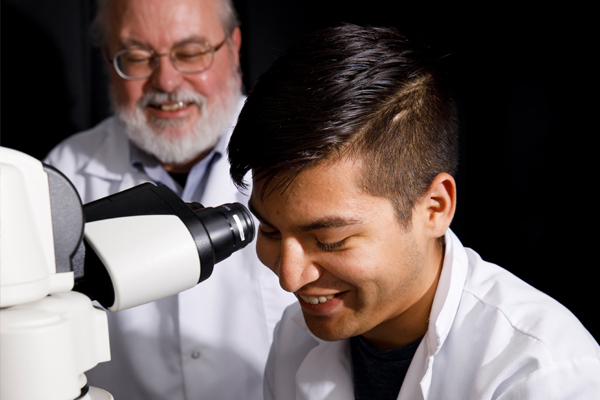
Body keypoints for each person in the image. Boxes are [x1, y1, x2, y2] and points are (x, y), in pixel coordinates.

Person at [227, 23, 600, 399]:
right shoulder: (295, 337)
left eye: (330, 241)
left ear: (434, 208)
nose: (289, 279)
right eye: (271, 231)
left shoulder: (541, 374)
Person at [44, 0, 295, 399]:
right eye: (138, 57)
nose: (166, 80)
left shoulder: (300, 150)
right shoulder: (61, 177)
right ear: (108, 61)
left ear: (233, 46)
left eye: (190, 53)